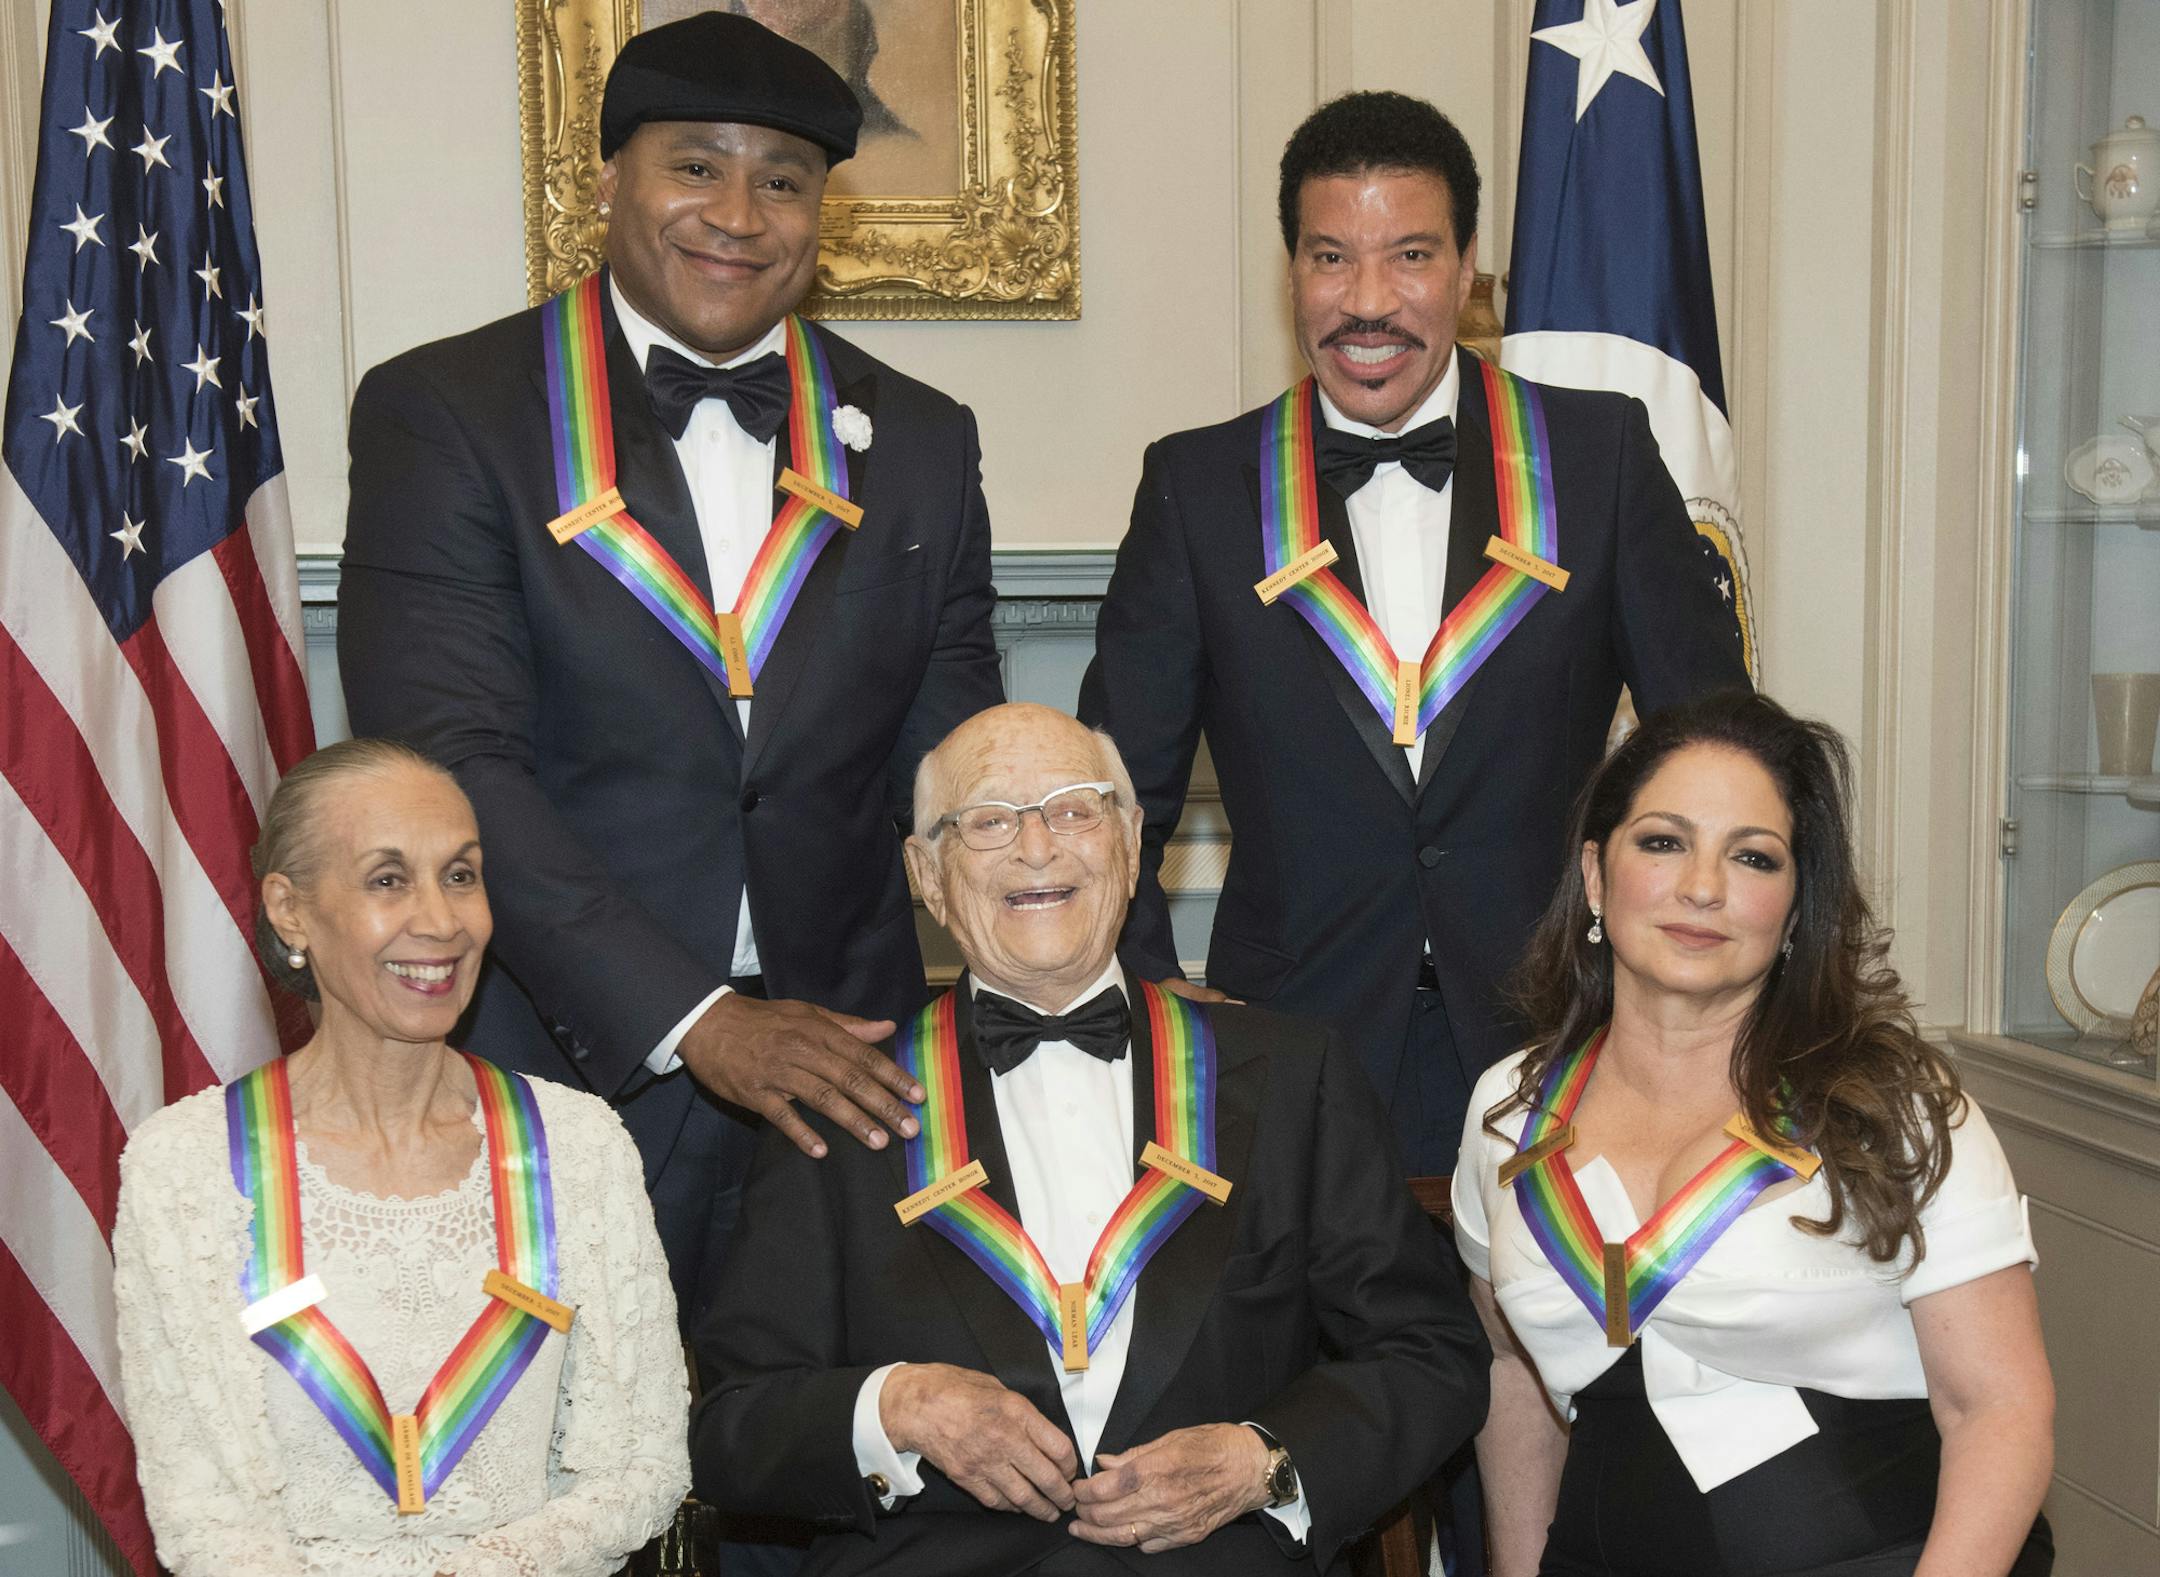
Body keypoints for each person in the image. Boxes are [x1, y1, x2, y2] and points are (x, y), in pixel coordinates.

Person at [337, 9, 1003, 1332]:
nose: (739, 213)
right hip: (556, 1067)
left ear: (827, 213)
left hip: (852, 1082)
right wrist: (696, 1020)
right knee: (567, 1495)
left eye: (784, 179)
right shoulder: (448, 415)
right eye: (695, 165)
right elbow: (455, 769)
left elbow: (959, 763)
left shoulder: (921, 438)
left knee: (825, 1490)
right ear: (606, 182)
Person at [1078, 90, 1750, 1178]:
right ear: (1290, 269)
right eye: (1331, 258)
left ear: (1469, 267)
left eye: (1411, 256)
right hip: (1284, 1046)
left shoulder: (1599, 458)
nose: (1369, 302)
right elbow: (1111, 796)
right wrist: (1157, 1002)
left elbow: (1721, 758)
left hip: (1568, 1039)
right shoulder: (1198, 486)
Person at [689, 703, 1490, 1575]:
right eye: (988, 821)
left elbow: (1432, 1356)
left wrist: (1263, 1459)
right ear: (926, 873)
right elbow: (734, 1425)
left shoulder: (1296, 1074)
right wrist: (898, 1405)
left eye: (1076, 807)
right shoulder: (844, 1101)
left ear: (1133, 838)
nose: (1038, 848)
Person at [1455, 693, 2054, 1577]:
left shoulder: (1898, 1106)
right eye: (1663, 841)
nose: (1703, 886)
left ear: (1795, 904)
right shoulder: (1506, 1109)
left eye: (1753, 856)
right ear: (1594, 874)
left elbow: (1999, 1409)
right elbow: (1509, 1375)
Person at [112, 739, 690, 1577]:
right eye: (389, 880)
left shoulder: (578, 1144)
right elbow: (204, 1515)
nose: (443, 920)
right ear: (290, 910)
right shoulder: (183, 1166)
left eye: (461, 874)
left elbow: (642, 1463)